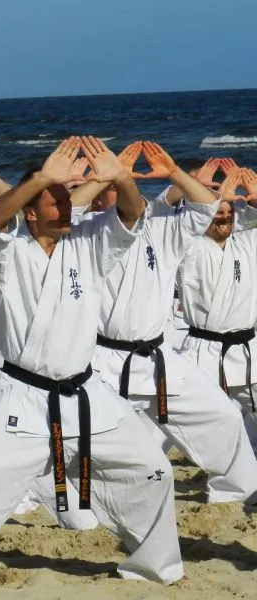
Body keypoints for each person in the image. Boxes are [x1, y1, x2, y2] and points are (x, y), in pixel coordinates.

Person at [0, 137, 183, 591]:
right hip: (21, 395)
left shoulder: (88, 244)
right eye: (55, 201)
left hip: (85, 392)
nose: (67, 207)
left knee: (152, 471)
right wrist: (41, 178)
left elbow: (133, 213)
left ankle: (157, 566)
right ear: (31, 212)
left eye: (67, 200)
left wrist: (119, 176)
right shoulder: (5, 250)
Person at [76, 143, 257, 503]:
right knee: (90, 441)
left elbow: (203, 206)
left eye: (127, 186)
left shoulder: (161, 230)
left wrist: (175, 172)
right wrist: (105, 176)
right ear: (98, 201)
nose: (125, 190)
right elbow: (68, 209)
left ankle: (238, 491)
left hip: (158, 357)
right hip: (103, 360)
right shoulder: (84, 233)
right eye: (114, 188)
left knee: (222, 416)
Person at [177, 168, 257, 454]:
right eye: (216, 212)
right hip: (205, 350)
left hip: (248, 349)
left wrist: (253, 194)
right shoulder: (188, 247)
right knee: (208, 423)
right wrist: (196, 187)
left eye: (229, 212)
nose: (224, 217)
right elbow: (176, 221)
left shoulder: (247, 242)